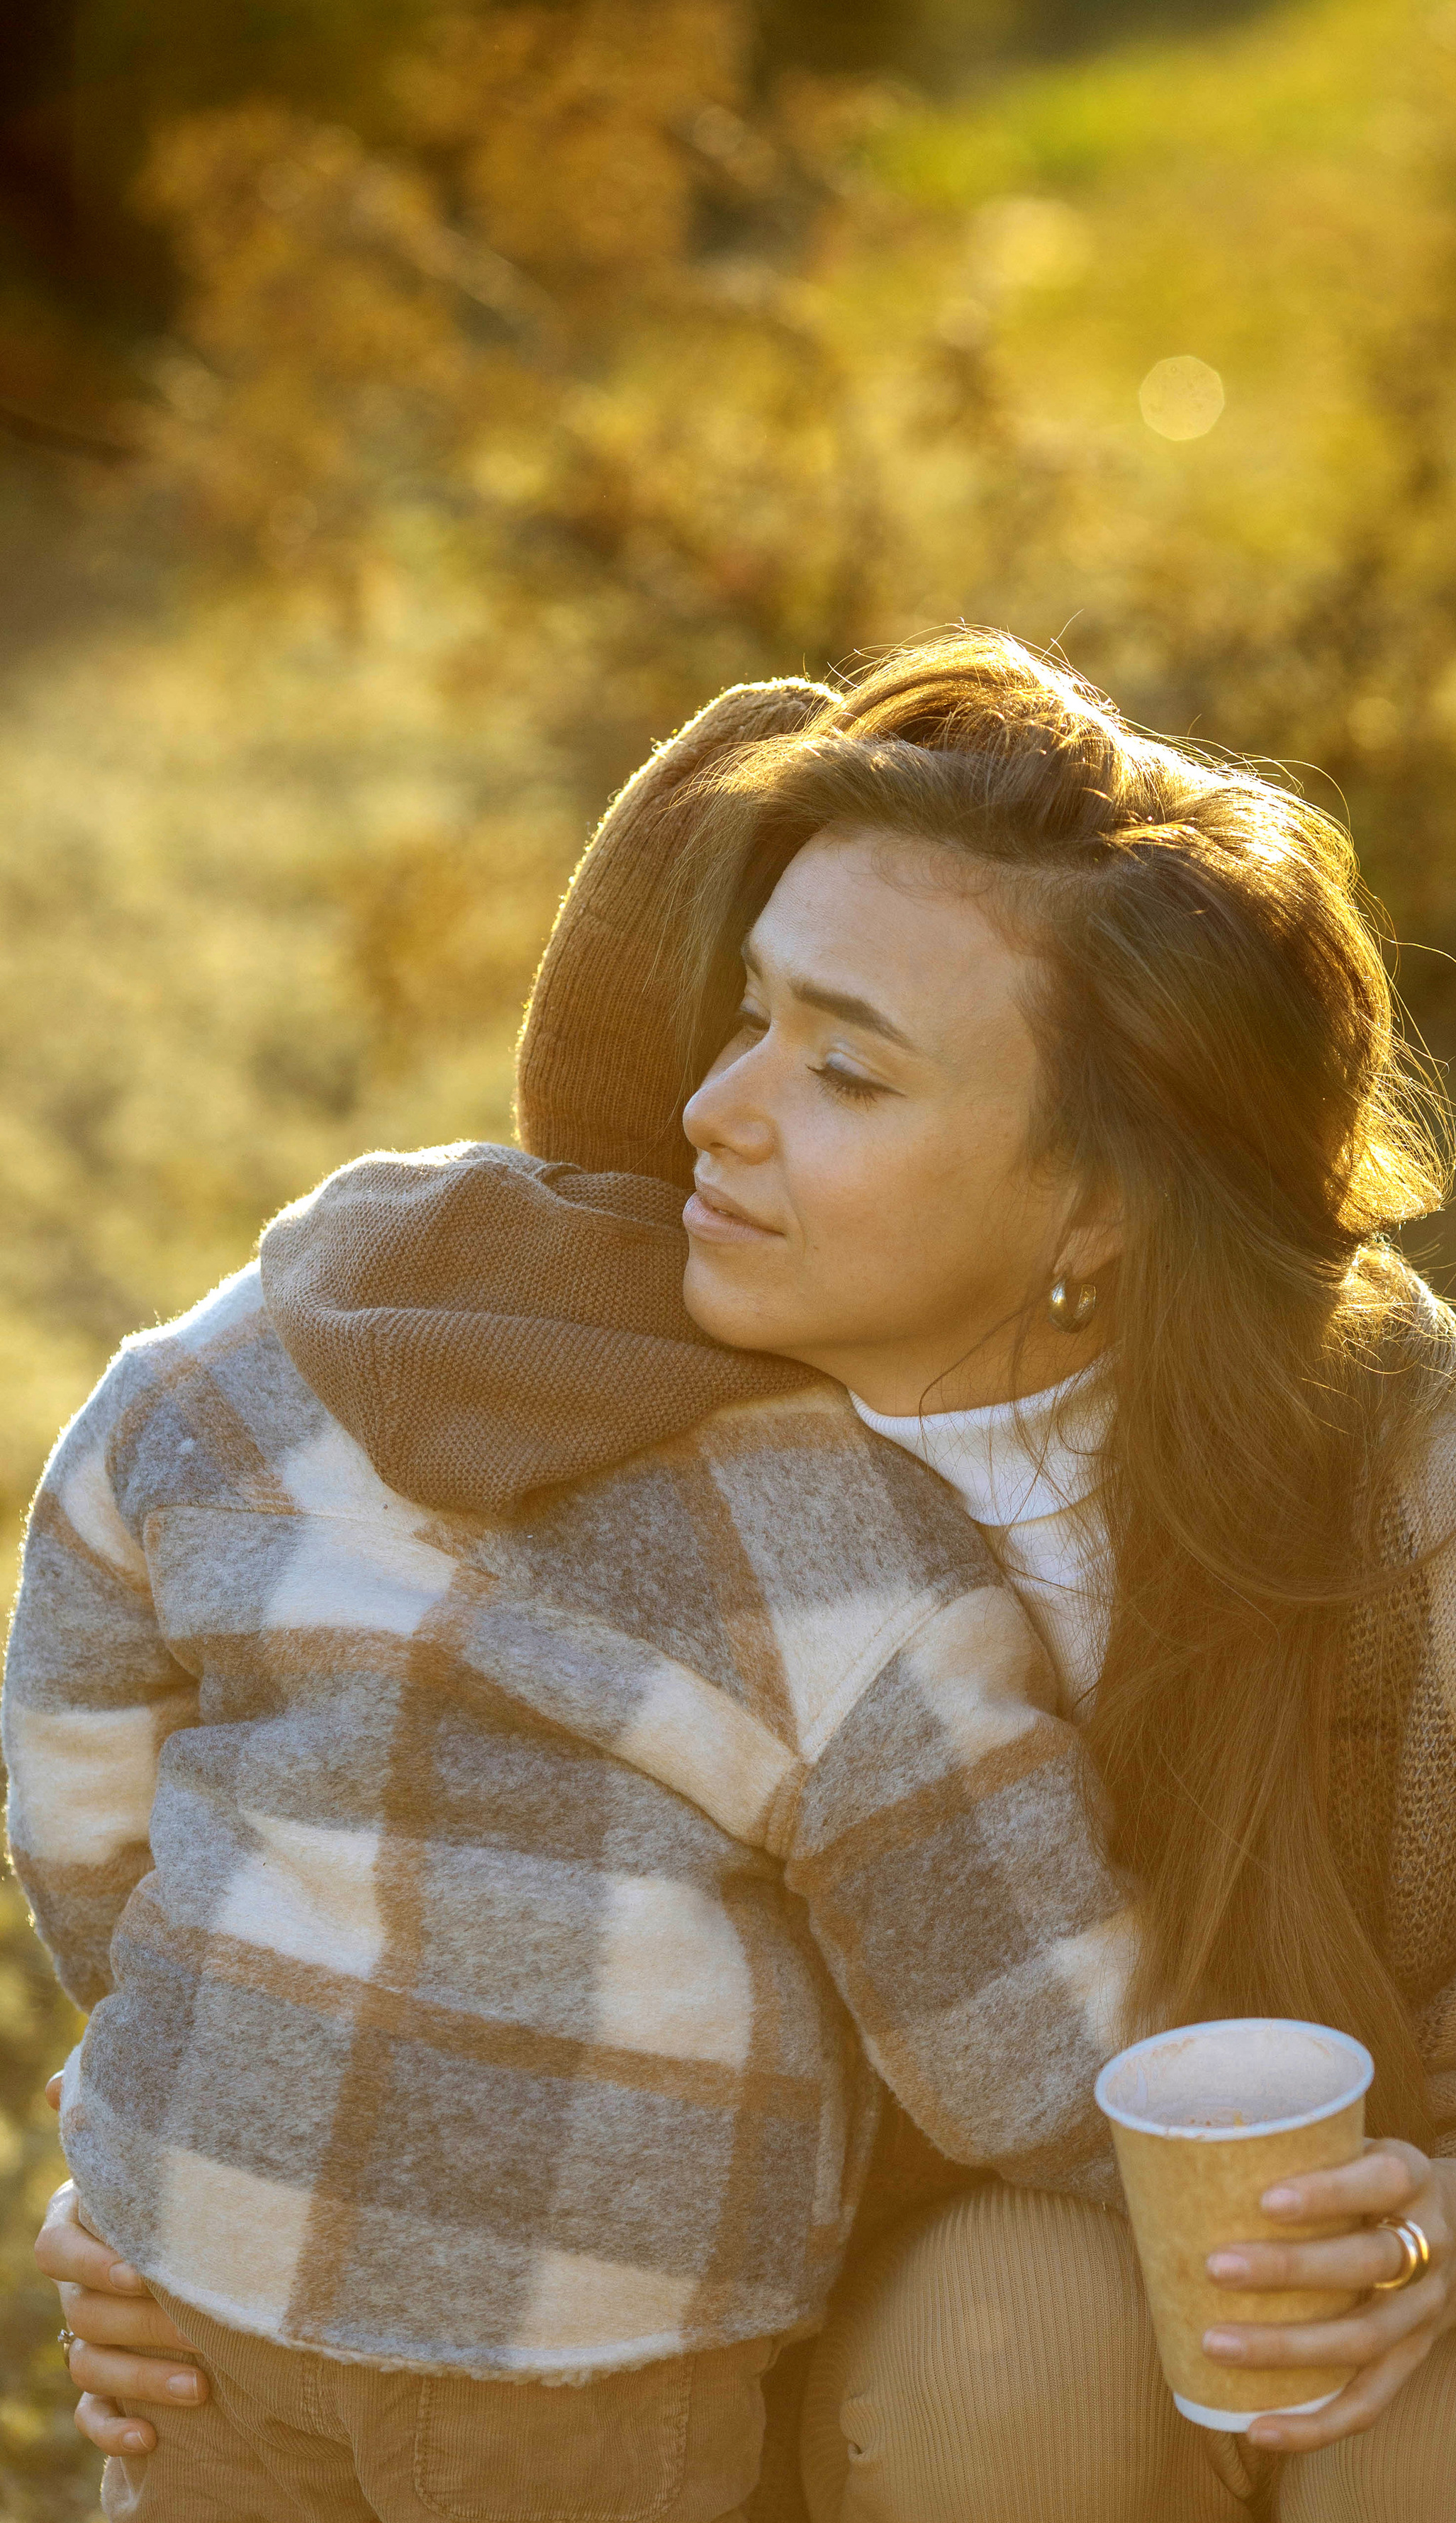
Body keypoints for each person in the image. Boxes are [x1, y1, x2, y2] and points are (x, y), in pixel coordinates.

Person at [38, 632, 1456, 2521]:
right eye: (746, 1017)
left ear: (1101, 1201)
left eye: (846, 1072)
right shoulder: (595, 1410)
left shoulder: (1443, 1512)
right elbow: (350, 1886)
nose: (721, 1112)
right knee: (1017, 2345)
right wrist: (186, 2211)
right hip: (886, 2338)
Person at [6, 675, 1134, 2523]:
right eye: (760, 1025)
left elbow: (75, 1754)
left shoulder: (245, 1349)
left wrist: (197, 2037)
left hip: (210, 2247)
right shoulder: (843, 1539)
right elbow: (1020, 2023)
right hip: (583, 2334)